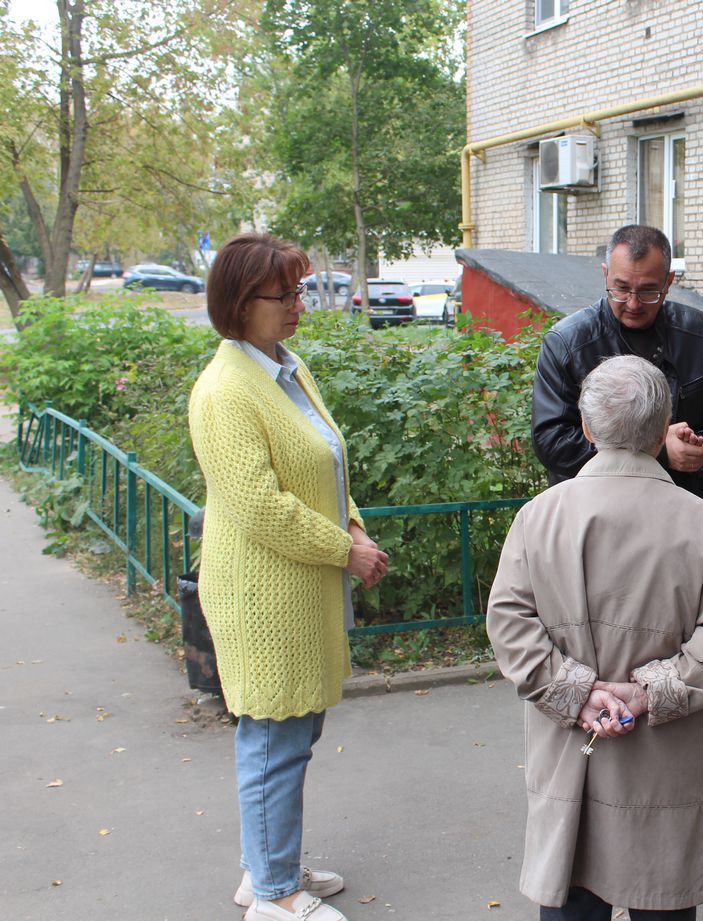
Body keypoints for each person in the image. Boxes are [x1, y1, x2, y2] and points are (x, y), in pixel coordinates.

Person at [530, 223, 703, 849]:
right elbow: (550, 438)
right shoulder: (568, 341)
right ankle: (592, 815)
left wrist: (702, 450)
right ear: (604, 276)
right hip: (597, 536)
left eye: (649, 290)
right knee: (601, 667)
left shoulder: (698, 333)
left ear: (671, 282)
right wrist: (655, 451)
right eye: (622, 288)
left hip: (683, 530)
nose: (633, 302)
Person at [490, 355, 703, 920]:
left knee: (571, 887)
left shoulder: (538, 517)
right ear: (663, 430)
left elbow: (510, 620)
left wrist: (576, 692)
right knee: (660, 895)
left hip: (570, 747)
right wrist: (648, 692)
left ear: (586, 428)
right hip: (662, 755)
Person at [188, 232, 389, 921]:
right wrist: (345, 550)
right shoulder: (224, 391)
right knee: (273, 740)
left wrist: (353, 527)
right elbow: (261, 507)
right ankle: (274, 896)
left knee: (290, 736)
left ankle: (265, 867)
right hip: (260, 594)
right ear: (242, 303)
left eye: (300, 289)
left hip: (298, 591)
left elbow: (325, 465)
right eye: (286, 294)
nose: (300, 303)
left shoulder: (285, 368)